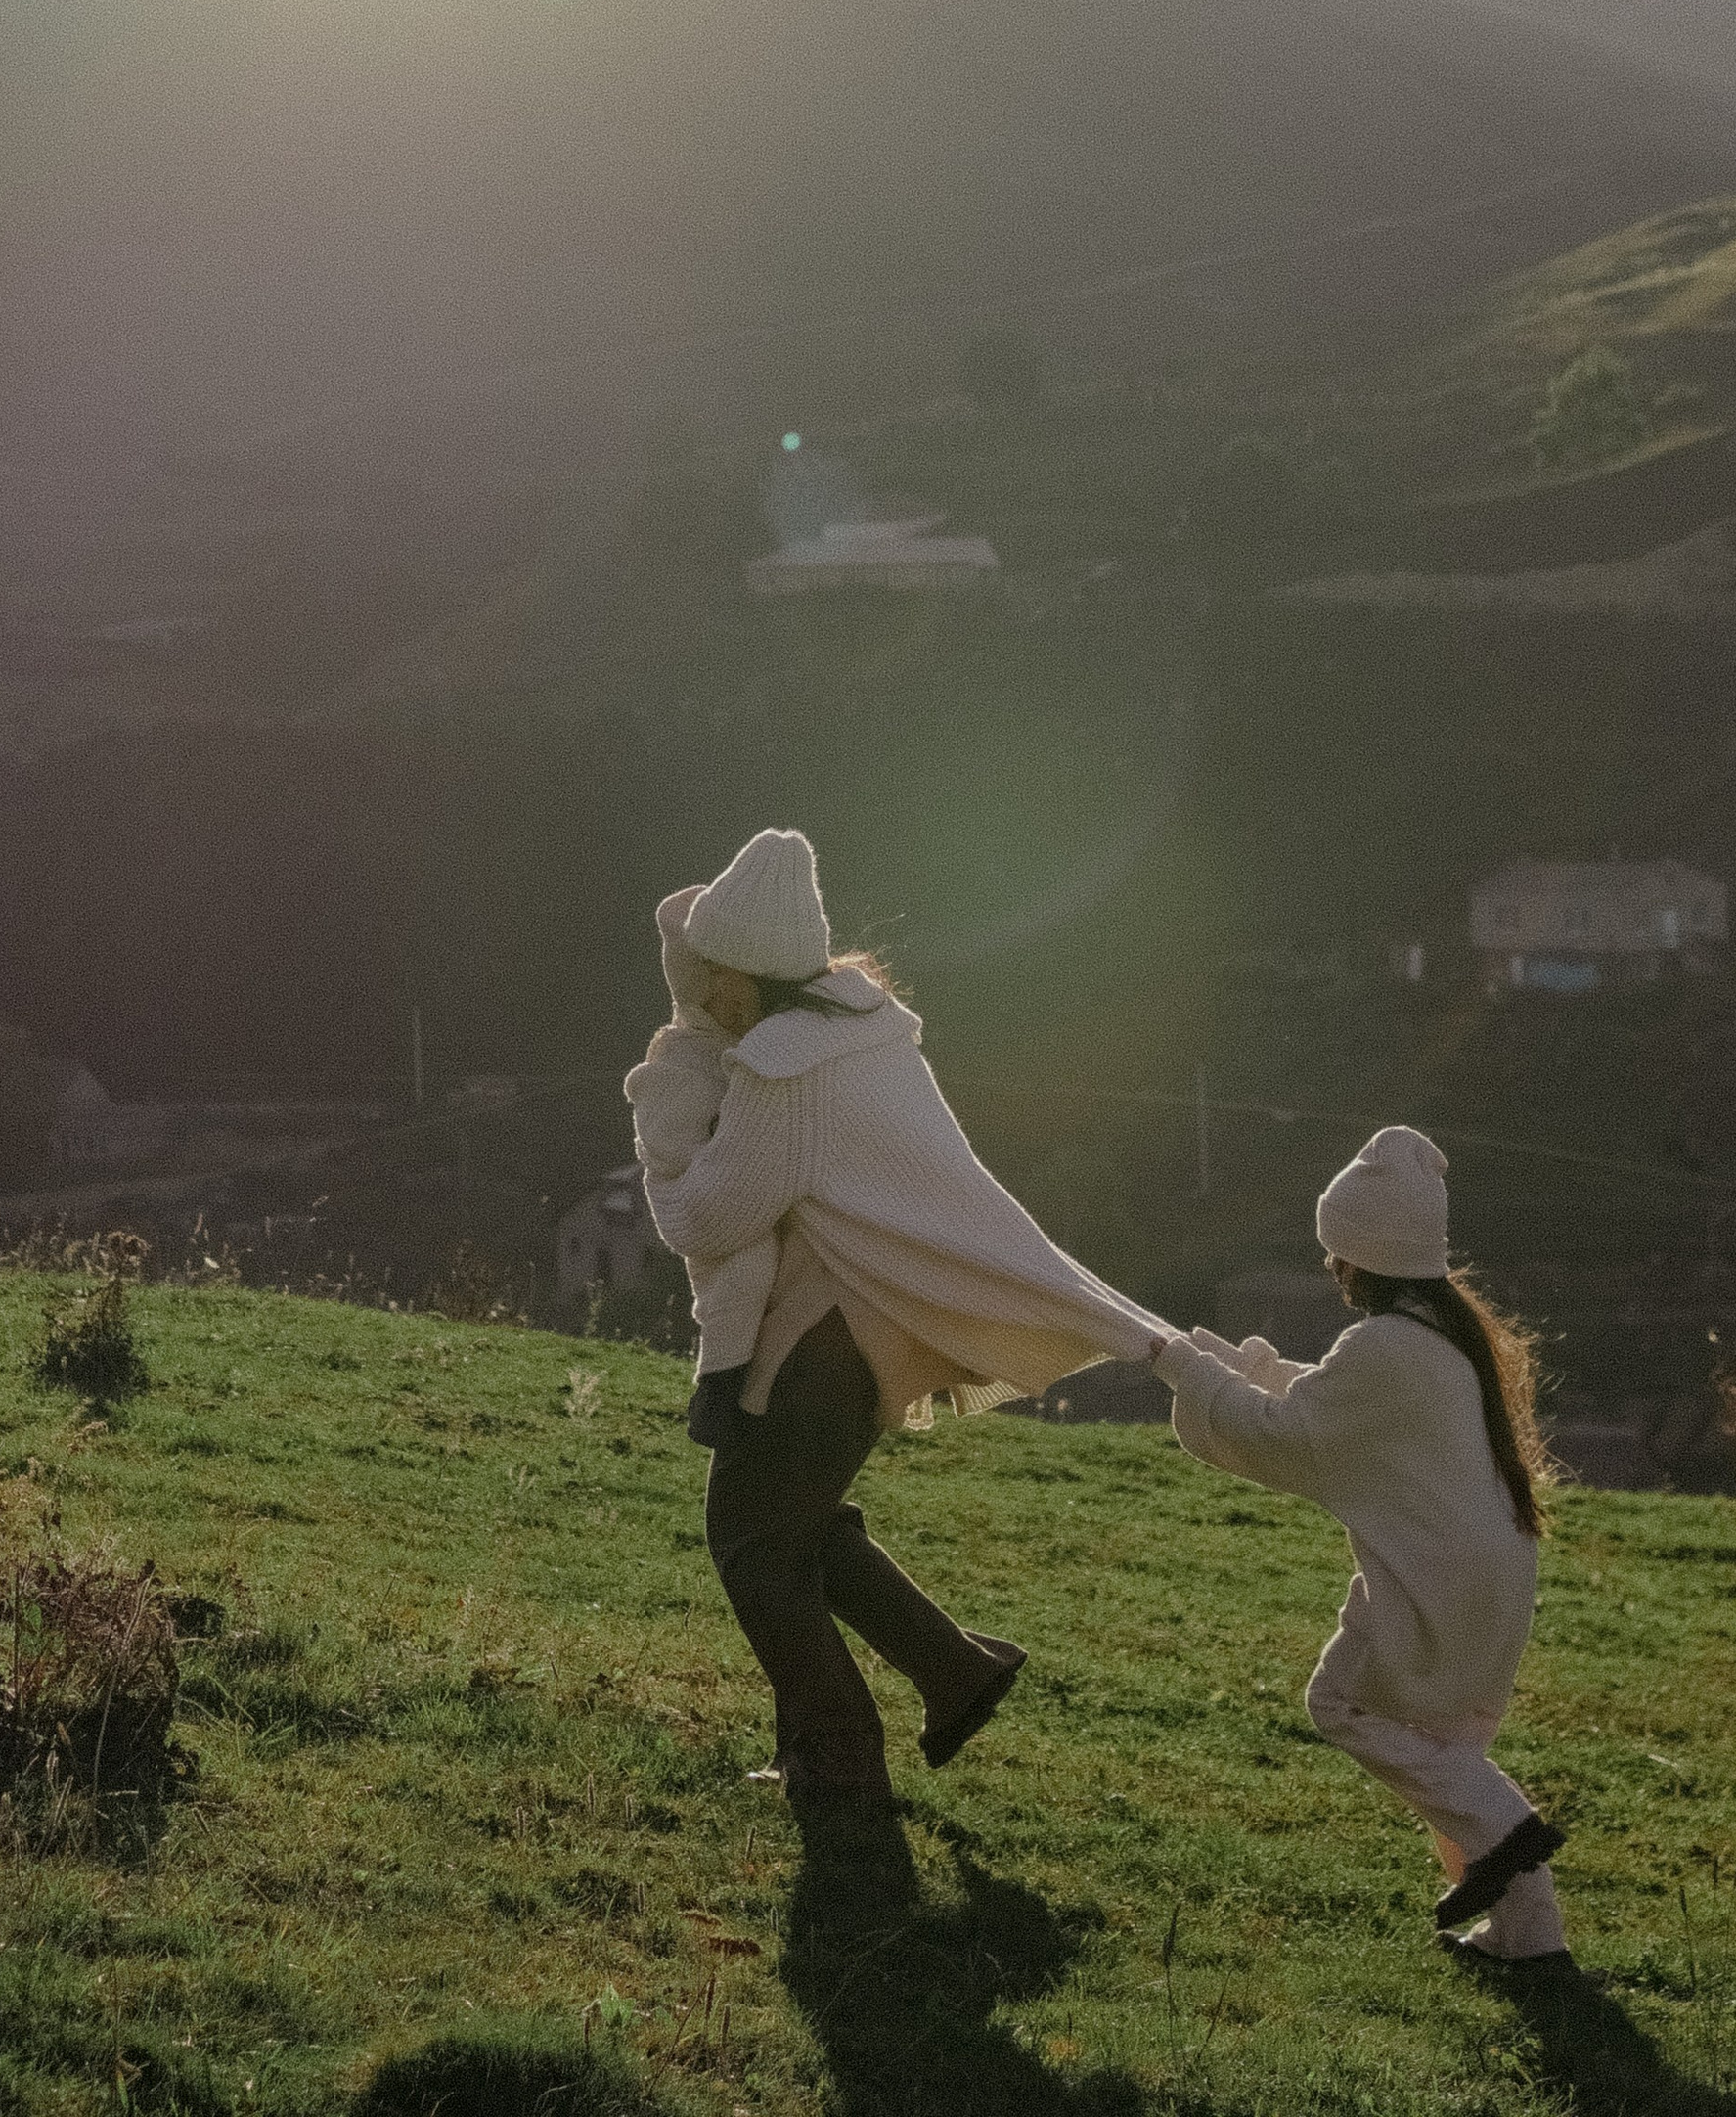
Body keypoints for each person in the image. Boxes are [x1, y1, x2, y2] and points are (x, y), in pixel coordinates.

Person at [632, 826, 1173, 1808]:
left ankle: (836, 1757)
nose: (704, 995)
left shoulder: (782, 1072)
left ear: (749, 977)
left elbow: (709, 1213)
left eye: (715, 976)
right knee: (800, 1530)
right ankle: (955, 1672)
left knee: (751, 1544)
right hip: (853, 1328)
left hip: (821, 1341)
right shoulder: (860, 1026)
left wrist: (665, 1149)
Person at [1151, 1126, 1569, 1967]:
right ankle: (1530, 1938)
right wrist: (1242, 1365)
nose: (1331, 1271)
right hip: (1476, 1569)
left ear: (1361, 1256)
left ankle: (1507, 1830)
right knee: (1442, 1743)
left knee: (1340, 1706)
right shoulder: (1438, 1331)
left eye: (1335, 1254)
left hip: (1431, 1580)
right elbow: (1337, 1408)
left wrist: (1188, 1372)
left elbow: (1291, 1434)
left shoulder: (1385, 1344)